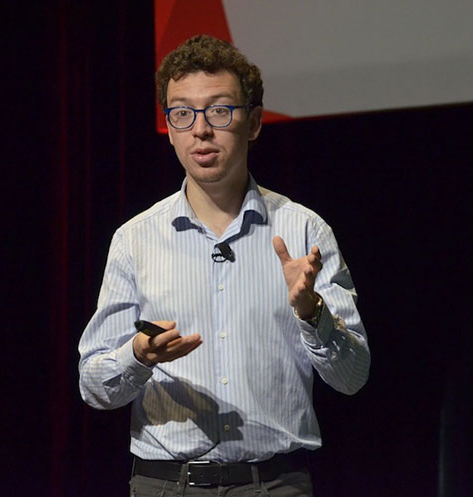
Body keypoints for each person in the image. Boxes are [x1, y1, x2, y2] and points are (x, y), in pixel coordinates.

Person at [78, 34, 370, 496]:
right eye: (182, 113)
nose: (201, 129)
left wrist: (313, 313)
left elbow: (352, 378)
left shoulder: (303, 232)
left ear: (252, 122)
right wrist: (137, 356)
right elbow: (94, 386)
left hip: (275, 484)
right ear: (170, 126)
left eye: (219, 110)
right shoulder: (135, 239)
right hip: (166, 485)